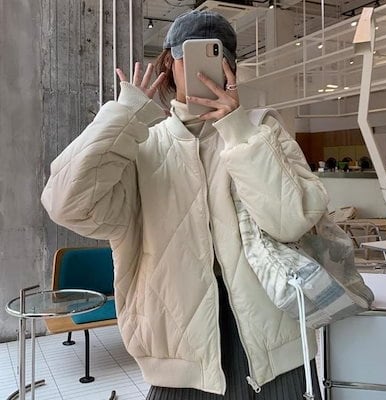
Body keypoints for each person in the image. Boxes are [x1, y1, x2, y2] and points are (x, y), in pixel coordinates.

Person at [41, 10, 328, 400]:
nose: (201, 69)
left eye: (216, 55)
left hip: (276, 347)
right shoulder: (142, 144)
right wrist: (124, 116)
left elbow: (291, 220)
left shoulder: (262, 131)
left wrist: (238, 129)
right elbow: (65, 204)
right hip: (178, 352)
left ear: (231, 67)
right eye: (187, 57)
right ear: (169, 66)